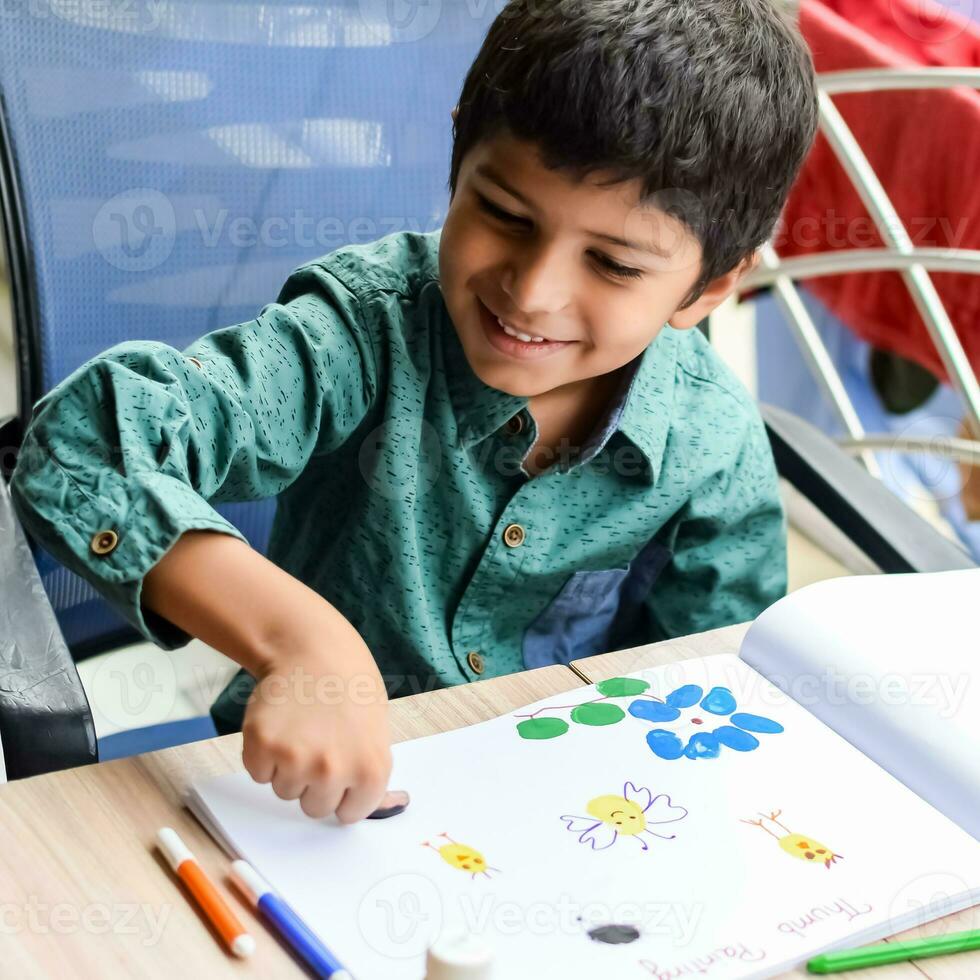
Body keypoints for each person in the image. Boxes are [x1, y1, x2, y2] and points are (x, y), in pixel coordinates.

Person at [10, 0, 818, 823]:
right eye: (504, 214)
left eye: (611, 264)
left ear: (711, 286)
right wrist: (300, 644)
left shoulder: (713, 444)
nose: (532, 293)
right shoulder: (362, 333)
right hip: (291, 807)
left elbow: (714, 690)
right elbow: (81, 444)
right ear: (458, 156)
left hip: (571, 818)